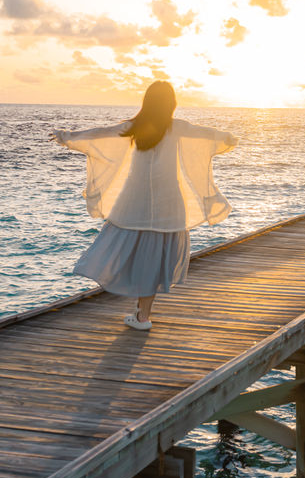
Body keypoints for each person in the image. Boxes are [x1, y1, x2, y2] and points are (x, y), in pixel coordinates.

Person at [50, 81, 237, 331]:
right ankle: (143, 315)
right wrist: (228, 138)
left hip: (135, 201)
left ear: (147, 102)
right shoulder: (177, 127)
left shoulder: (133, 128)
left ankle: (139, 311)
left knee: (128, 248)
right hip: (169, 202)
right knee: (156, 257)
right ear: (171, 104)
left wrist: (68, 137)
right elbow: (208, 135)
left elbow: (101, 134)